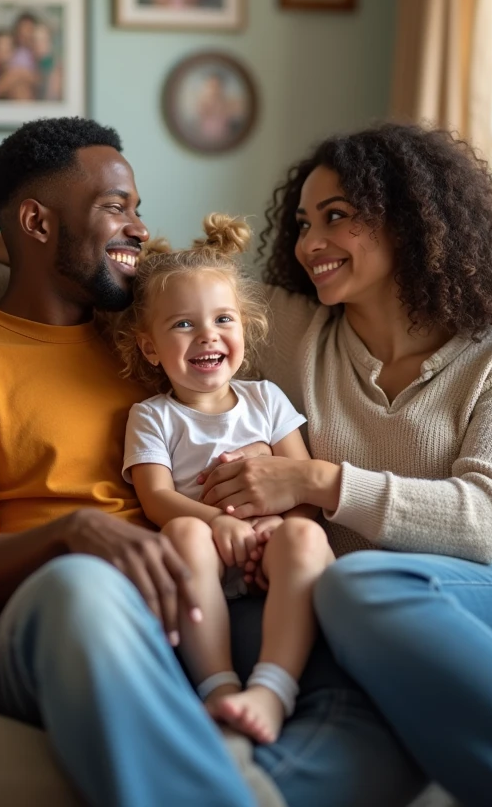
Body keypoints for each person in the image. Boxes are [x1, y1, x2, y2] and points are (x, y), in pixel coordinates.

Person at [0, 119, 492, 803]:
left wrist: (305, 489)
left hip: (248, 583)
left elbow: (176, 271)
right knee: (88, 587)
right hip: (79, 600)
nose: (309, 244)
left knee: (352, 661)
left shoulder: (165, 334)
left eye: (137, 207)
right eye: (116, 208)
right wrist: (74, 536)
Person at [115, 214, 332, 744]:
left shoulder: (267, 399)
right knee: (182, 532)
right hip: (204, 554)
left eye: (223, 320)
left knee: (307, 532)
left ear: (244, 328)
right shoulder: (153, 416)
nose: (207, 335)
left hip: (271, 554)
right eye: (183, 324)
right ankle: (217, 685)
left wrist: (274, 531)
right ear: (149, 347)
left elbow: (301, 485)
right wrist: (218, 524)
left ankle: (272, 690)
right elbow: (156, 497)